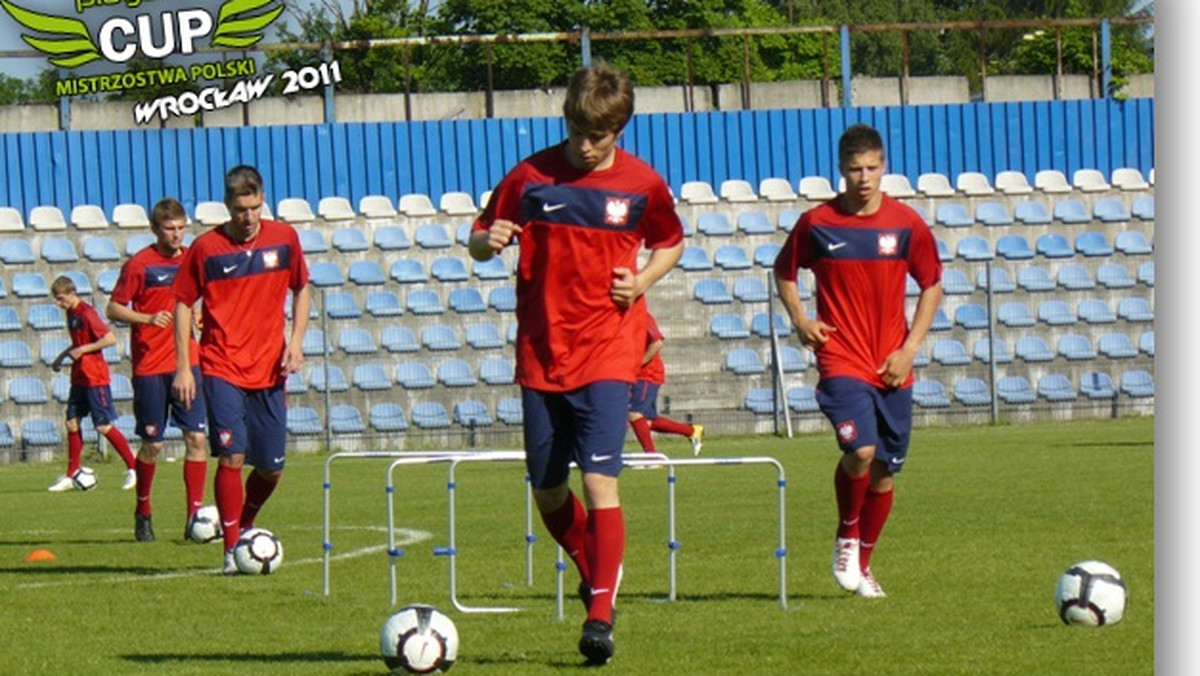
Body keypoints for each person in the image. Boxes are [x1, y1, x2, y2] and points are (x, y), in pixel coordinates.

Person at [468, 62, 684, 665]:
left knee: (598, 480)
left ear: (620, 129)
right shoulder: (532, 176)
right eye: (576, 132)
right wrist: (491, 242)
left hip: (609, 348)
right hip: (541, 351)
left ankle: (598, 615)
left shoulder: (642, 184)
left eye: (599, 136)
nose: (585, 146)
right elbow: (478, 237)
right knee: (547, 488)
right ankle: (598, 578)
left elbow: (672, 240)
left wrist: (640, 280)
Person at [773, 123, 944, 599]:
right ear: (842, 170)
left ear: (883, 166)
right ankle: (847, 534)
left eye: (872, 168)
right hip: (842, 359)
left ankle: (864, 564)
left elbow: (932, 284)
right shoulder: (817, 223)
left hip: (893, 365)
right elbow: (783, 272)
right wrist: (801, 319)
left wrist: (909, 350)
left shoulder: (907, 224)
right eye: (855, 169)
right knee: (861, 452)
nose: (864, 178)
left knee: (886, 472)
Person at [171, 165, 311, 575]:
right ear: (227, 206)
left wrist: (297, 341)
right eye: (239, 210)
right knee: (231, 456)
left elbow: (302, 287)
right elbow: (182, 303)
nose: (247, 217)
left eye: (254, 208)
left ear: (262, 201)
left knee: (271, 468)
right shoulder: (206, 248)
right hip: (221, 366)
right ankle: (232, 549)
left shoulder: (284, 238)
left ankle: (245, 524)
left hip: (270, 369)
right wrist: (184, 365)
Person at [106, 197, 209, 543]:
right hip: (151, 367)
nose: (177, 234)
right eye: (170, 229)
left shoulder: (193, 259)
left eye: (182, 228)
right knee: (153, 445)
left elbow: (205, 295)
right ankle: (144, 509)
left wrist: (200, 313)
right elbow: (114, 308)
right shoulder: (140, 265)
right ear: (155, 229)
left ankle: (194, 516)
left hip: (188, 363)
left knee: (196, 438)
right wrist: (147, 318)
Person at [46, 275, 139, 493]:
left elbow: (109, 339)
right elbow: (79, 342)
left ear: (72, 293)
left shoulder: (87, 313)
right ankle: (71, 474)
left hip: (95, 377)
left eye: (61, 299)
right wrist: (63, 356)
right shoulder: (71, 313)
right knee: (71, 422)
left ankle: (133, 468)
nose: (59, 304)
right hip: (79, 377)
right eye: (57, 300)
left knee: (102, 425)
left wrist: (83, 350)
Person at [627, 311, 704, 456]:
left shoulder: (640, 315)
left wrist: (638, 364)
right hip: (635, 374)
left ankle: (652, 457)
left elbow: (657, 342)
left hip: (647, 374)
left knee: (634, 413)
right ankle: (693, 431)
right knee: (647, 421)